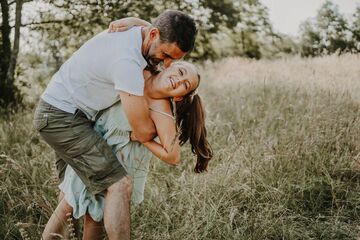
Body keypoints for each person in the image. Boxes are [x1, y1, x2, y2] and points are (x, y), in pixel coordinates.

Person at [33, 10, 197, 240]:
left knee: (75, 197)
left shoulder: (137, 35)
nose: (167, 64)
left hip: (74, 114)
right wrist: (148, 128)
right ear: (153, 34)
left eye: (174, 60)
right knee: (118, 186)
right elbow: (142, 131)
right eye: (166, 55)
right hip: (62, 117)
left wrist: (135, 20)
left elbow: (152, 29)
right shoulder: (127, 62)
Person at [42, 61, 213, 239]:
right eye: (180, 72)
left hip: (119, 160)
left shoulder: (161, 108)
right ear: (168, 66)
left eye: (185, 85)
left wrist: (143, 138)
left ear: (179, 97)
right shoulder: (140, 74)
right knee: (67, 206)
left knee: (95, 217)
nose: (179, 81)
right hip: (92, 145)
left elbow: (173, 155)